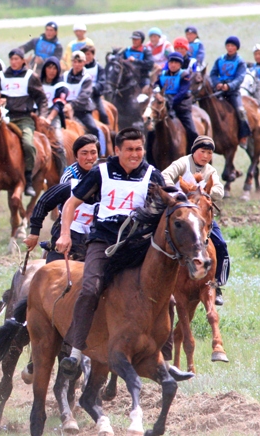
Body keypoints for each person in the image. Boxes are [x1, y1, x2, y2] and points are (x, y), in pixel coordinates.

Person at [54, 128, 194, 380]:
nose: (135, 154)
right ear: (117, 150)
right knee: (90, 289)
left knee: (169, 300)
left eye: (139, 149)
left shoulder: (152, 174)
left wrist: (188, 195)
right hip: (103, 242)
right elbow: (70, 203)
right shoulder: (101, 172)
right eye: (129, 149)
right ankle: (75, 351)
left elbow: (175, 198)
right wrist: (64, 234)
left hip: (138, 245)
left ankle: (163, 360)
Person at [161, 135, 229, 305]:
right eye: (202, 151)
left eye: (209, 153)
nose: (205, 156)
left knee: (220, 245)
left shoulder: (210, 171)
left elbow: (220, 191)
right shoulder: (183, 163)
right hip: (179, 214)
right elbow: (164, 176)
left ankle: (217, 284)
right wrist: (179, 195)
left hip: (201, 217)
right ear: (194, 151)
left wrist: (203, 192)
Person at [25, 134, 99, 263]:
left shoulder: (105, 174)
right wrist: (34, 232)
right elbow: (53, 203)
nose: (89, 158)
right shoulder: (70, 178)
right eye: (84, 153)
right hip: (72, 227)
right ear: (76, 156)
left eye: (93, 153)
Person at [0, 48, 48, 196]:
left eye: (17, 59)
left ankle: (27, 179)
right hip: (4, 119)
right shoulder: (1, 76)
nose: (14, 62)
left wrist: (43, 115)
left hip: (23, 119)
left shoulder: (30, 76)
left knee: (28, 144)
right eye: (12, 59)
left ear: (23, 61)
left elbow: (42, 98)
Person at [209, 36, 251, 148]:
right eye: (228, 45)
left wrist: (229, 86)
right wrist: (216, 83)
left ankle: (243, 135)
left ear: (236, 47)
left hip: (233, 92)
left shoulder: (240, 61)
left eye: (232, 46)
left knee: (240, 111)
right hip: (219, 91)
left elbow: (240, 77)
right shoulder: (220, 59)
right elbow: (213, 74)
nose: (230, 48)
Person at [65, 51, 106, 157]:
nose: (77, 64)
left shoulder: (87, 78)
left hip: (82, 110)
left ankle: (98, 154)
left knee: (93, 128)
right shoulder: (64, 76)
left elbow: (84, 95)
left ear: (84, 63)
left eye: (79, 62)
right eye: (74, 61)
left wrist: (71, 105)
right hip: (64, 110)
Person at [156, 52, 198, 152]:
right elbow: (155, 85)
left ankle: (194, 153)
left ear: (180, 65)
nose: (173, 65)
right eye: (171, 62)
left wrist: (169, 102)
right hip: (163, 108)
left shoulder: (184, 75)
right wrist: (157, 92)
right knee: (151, 132)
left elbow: (182, 92)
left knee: (192, 131)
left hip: (181, 107)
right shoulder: (161, 74)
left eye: (176, 63)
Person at [40, 56, 69, 166]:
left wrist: (49, 119)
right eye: (49, 67)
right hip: (36, 115)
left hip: (52, 117)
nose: (51, 71)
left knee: (58, 145)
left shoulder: (61, 86)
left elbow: (59, 104)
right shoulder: (37, 82)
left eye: (54, 68)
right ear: (44, 69)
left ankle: (64, 175)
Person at [81, 46, 109, 128]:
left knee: (103, 114)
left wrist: (92, 89)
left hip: (94, 95)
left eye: (88, 54)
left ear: (93, 55)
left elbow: (102, 82)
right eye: (84, 54)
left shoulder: (98, 67)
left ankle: (108, 131)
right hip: (81, 95)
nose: (86, 56)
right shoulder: (79, 67)